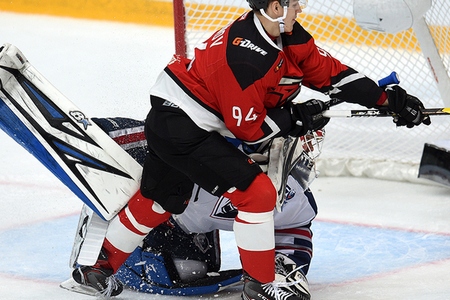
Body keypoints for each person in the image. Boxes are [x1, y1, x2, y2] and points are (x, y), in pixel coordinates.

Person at [72, 0, 430, 299]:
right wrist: (296, 116)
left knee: (160, 199)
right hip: (182, 127)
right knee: (257, 194)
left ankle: (96, 271)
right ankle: (260, 285)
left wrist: (389, 100)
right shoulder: (244, 59)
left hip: (187, 118)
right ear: (274, 7)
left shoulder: (286, 34)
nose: (300, 6)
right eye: (292, 2)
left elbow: (330, 74)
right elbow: (252, 133)